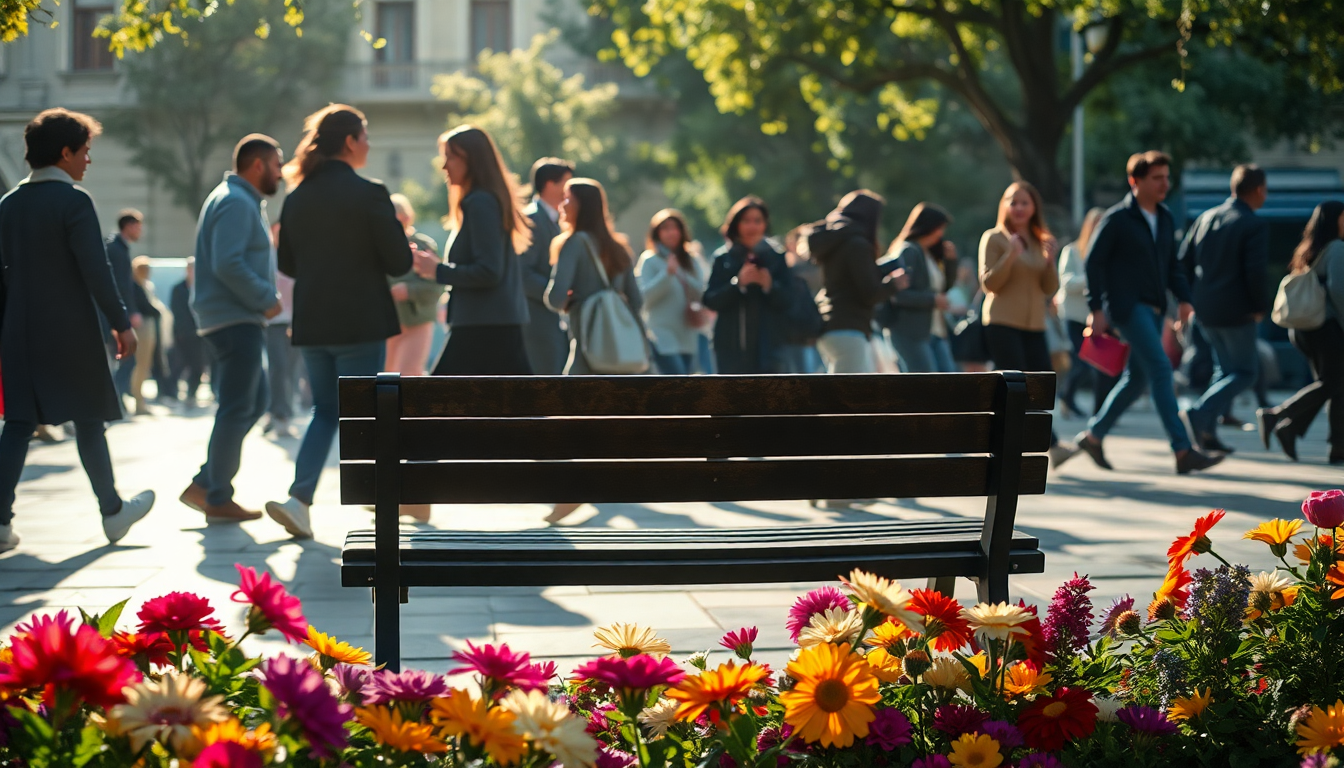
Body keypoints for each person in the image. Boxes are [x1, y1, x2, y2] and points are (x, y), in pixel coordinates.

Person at [0, 108, 155, 552]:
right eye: (85, 151)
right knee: (89, 420)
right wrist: (121, 323)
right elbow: (96, 270)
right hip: (70, 330)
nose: (88, 160)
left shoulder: (7, 205)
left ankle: (0, 523)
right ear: (65, 152)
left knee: (17, 424)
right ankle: (112, 512)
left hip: (18, 332)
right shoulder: (75, 201)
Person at [266, 104, 413, 539]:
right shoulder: (371, 193)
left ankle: (300, 498)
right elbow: (399, 261)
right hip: (360, 321)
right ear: (349, 141)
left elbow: (288, 264)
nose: (368, 143)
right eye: (365, 135)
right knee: (368, 412)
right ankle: (383, 498)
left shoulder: (297, 197)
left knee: (325, 411)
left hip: (313, 323)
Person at [1074, 151, 1223, 474]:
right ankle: (1183, 450)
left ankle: (1093, 436)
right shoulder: (1117, 219)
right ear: (1135, 181)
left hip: (1155, 308)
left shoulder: (1166, 217)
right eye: (1156, 178)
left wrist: (1184, 299)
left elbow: (1172, 266)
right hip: (1127, 308)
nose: (1164, 184)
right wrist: (1095, 308)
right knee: (1160, 368)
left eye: (1167, 178)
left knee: (1137, 378)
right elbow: (1094, 263)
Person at [179, 134, 285, 523]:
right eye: (277, 164)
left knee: (253, 402)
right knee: (239, 405)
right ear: (257, 165)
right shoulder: (236, 202)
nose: (281, 172)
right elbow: (228, 263)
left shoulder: (236, 199)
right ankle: (216, 495)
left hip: (232, 318)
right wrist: (265, 296)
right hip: (234, 318)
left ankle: (206, 483)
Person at [542, 177, 644, 524]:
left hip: (587, 349)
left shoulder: (573, 244)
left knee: (565, 420)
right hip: (618, 353)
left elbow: (555, 298)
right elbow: (637, 299)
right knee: (604, 421)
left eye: (568, 199)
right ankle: (591, 486)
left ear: (582, 205)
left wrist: (573, 301)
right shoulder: (619, 247)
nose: (562, 204)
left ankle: (570, 493)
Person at [411, 125, 532, 375]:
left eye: (451, 157)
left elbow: (489, 271)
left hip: (484, 326)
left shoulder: (480, 203)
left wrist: (438, 270)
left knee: (434, 406)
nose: (444, 167)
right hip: (491, 323)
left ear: (472, 161)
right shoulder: (485, 201)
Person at [979, 182, 1076, 468]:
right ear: (1004, 206)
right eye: (1013, 202)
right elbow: (989, 284)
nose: (1019, 208)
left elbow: (1049, 288)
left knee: (1039, 389)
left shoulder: (1039, 239)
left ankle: (1044, 443)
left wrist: (1050, 261)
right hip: (1002, 322)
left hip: (1034, 325)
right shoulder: (995, 238)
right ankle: (1042, 447)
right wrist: (1010, 254)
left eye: (1025, 203)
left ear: (1034, 208)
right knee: (1015, 389)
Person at [1177, 164, 1270, 454]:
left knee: (1225, 370)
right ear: (1258, 190)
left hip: (1204, 310)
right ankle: (1198, 413)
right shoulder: (1251, 223)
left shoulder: (1206, 217)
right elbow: (1255, 272)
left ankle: (1206, 433)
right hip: (1237, 311)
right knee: (1246, 372)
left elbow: (1182, 262)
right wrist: (1259, 306)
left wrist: (1189, 298)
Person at [1257, 201, 1344, 465]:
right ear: (1334, 221)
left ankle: (1329, 443)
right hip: (1325, 329)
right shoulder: (1338, 248)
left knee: (1336, 386)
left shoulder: (1309, 249)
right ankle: (1277, 416)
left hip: (1303, 330)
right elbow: (1340, 291)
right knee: (1333, 384)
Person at [804, 190, 907, 373]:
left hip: (831, 326)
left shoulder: (837, 241)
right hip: (849, 328)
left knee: (841, 393)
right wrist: (893, 284)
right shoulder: (857, 245)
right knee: (849, 396)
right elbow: (870, 293)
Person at [703, 196, 791, 374]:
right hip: (731, 350)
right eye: (746, 221)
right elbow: (710, 300)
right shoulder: (723, 258)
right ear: (736, 224)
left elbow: (790, 301)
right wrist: (738, 284)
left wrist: (769, 285)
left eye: (757, 221)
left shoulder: (776, 257)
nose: (752, 227)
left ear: (765, 224)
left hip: (770, 350)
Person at [881, 202, 958, 372]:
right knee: (925, 388)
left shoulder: (929, 254)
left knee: (950, 383)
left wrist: (950, 262)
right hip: (911, 332)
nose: (942, 233)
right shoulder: (909, 251)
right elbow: (899, 295)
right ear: (929, 226)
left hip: (935, 331)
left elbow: (944, 288)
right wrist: (933, 300)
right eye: (940, 227)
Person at [1055, 207, 1115, 418]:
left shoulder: (1110, 254)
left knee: (1104, 368)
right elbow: (1066, 282)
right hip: (1075, 316)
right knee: (1080, 363)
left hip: (1100, 318)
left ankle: (1100, 412)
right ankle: (1067, 396)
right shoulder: (1071, 251)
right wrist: (1092, 281)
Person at [519, 157, 574, 374]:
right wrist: (558, 294)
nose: (569, 191)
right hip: (536, 319)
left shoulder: (559, 220)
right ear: (550, 184)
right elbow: (523, 274)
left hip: (553, 317)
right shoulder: (531, 220)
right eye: (566, 184)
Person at [636, 208, 706, 375]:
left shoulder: (691, 260)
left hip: (688, 333)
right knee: (676, 380)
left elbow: (701, 293)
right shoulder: (649, 260)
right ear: (657, 233)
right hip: (662, 334)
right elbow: (645, 298)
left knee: (686, 382)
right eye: (665, 228)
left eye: (675, 228)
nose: (671, 233)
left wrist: (680, 274)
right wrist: (666, 275)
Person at [385, 193, 446, 376]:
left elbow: (437, 284)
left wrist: (409, 291)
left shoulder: (422, 245)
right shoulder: (379, 247)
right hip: (388, 323)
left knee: (409, 374)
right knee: (385, 377)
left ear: (407, 218)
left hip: (417, 321)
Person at [263, 222, 302, 437]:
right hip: (273, 322)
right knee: (277, 367)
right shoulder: (266, 258)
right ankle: (280, 414)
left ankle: (281, 410)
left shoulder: (297, 256)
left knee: (291, 369)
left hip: (294, 322)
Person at [128, 256, 165, 415]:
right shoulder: (134, 286)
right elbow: (146, 308)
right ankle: (138, 401)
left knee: (145, 366)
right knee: (141, 365)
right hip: (141, 330)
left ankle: (140, 401)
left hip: (149, 328)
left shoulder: (145, 286)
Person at [168, 257, 208, 407]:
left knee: (198, 366)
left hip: (200, 334)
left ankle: (191, 393)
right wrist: (184, 331)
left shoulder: (202, 287)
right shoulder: (179, 289)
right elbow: (177, 312)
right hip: (183, 334)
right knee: (179, 364)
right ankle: (170, 392)